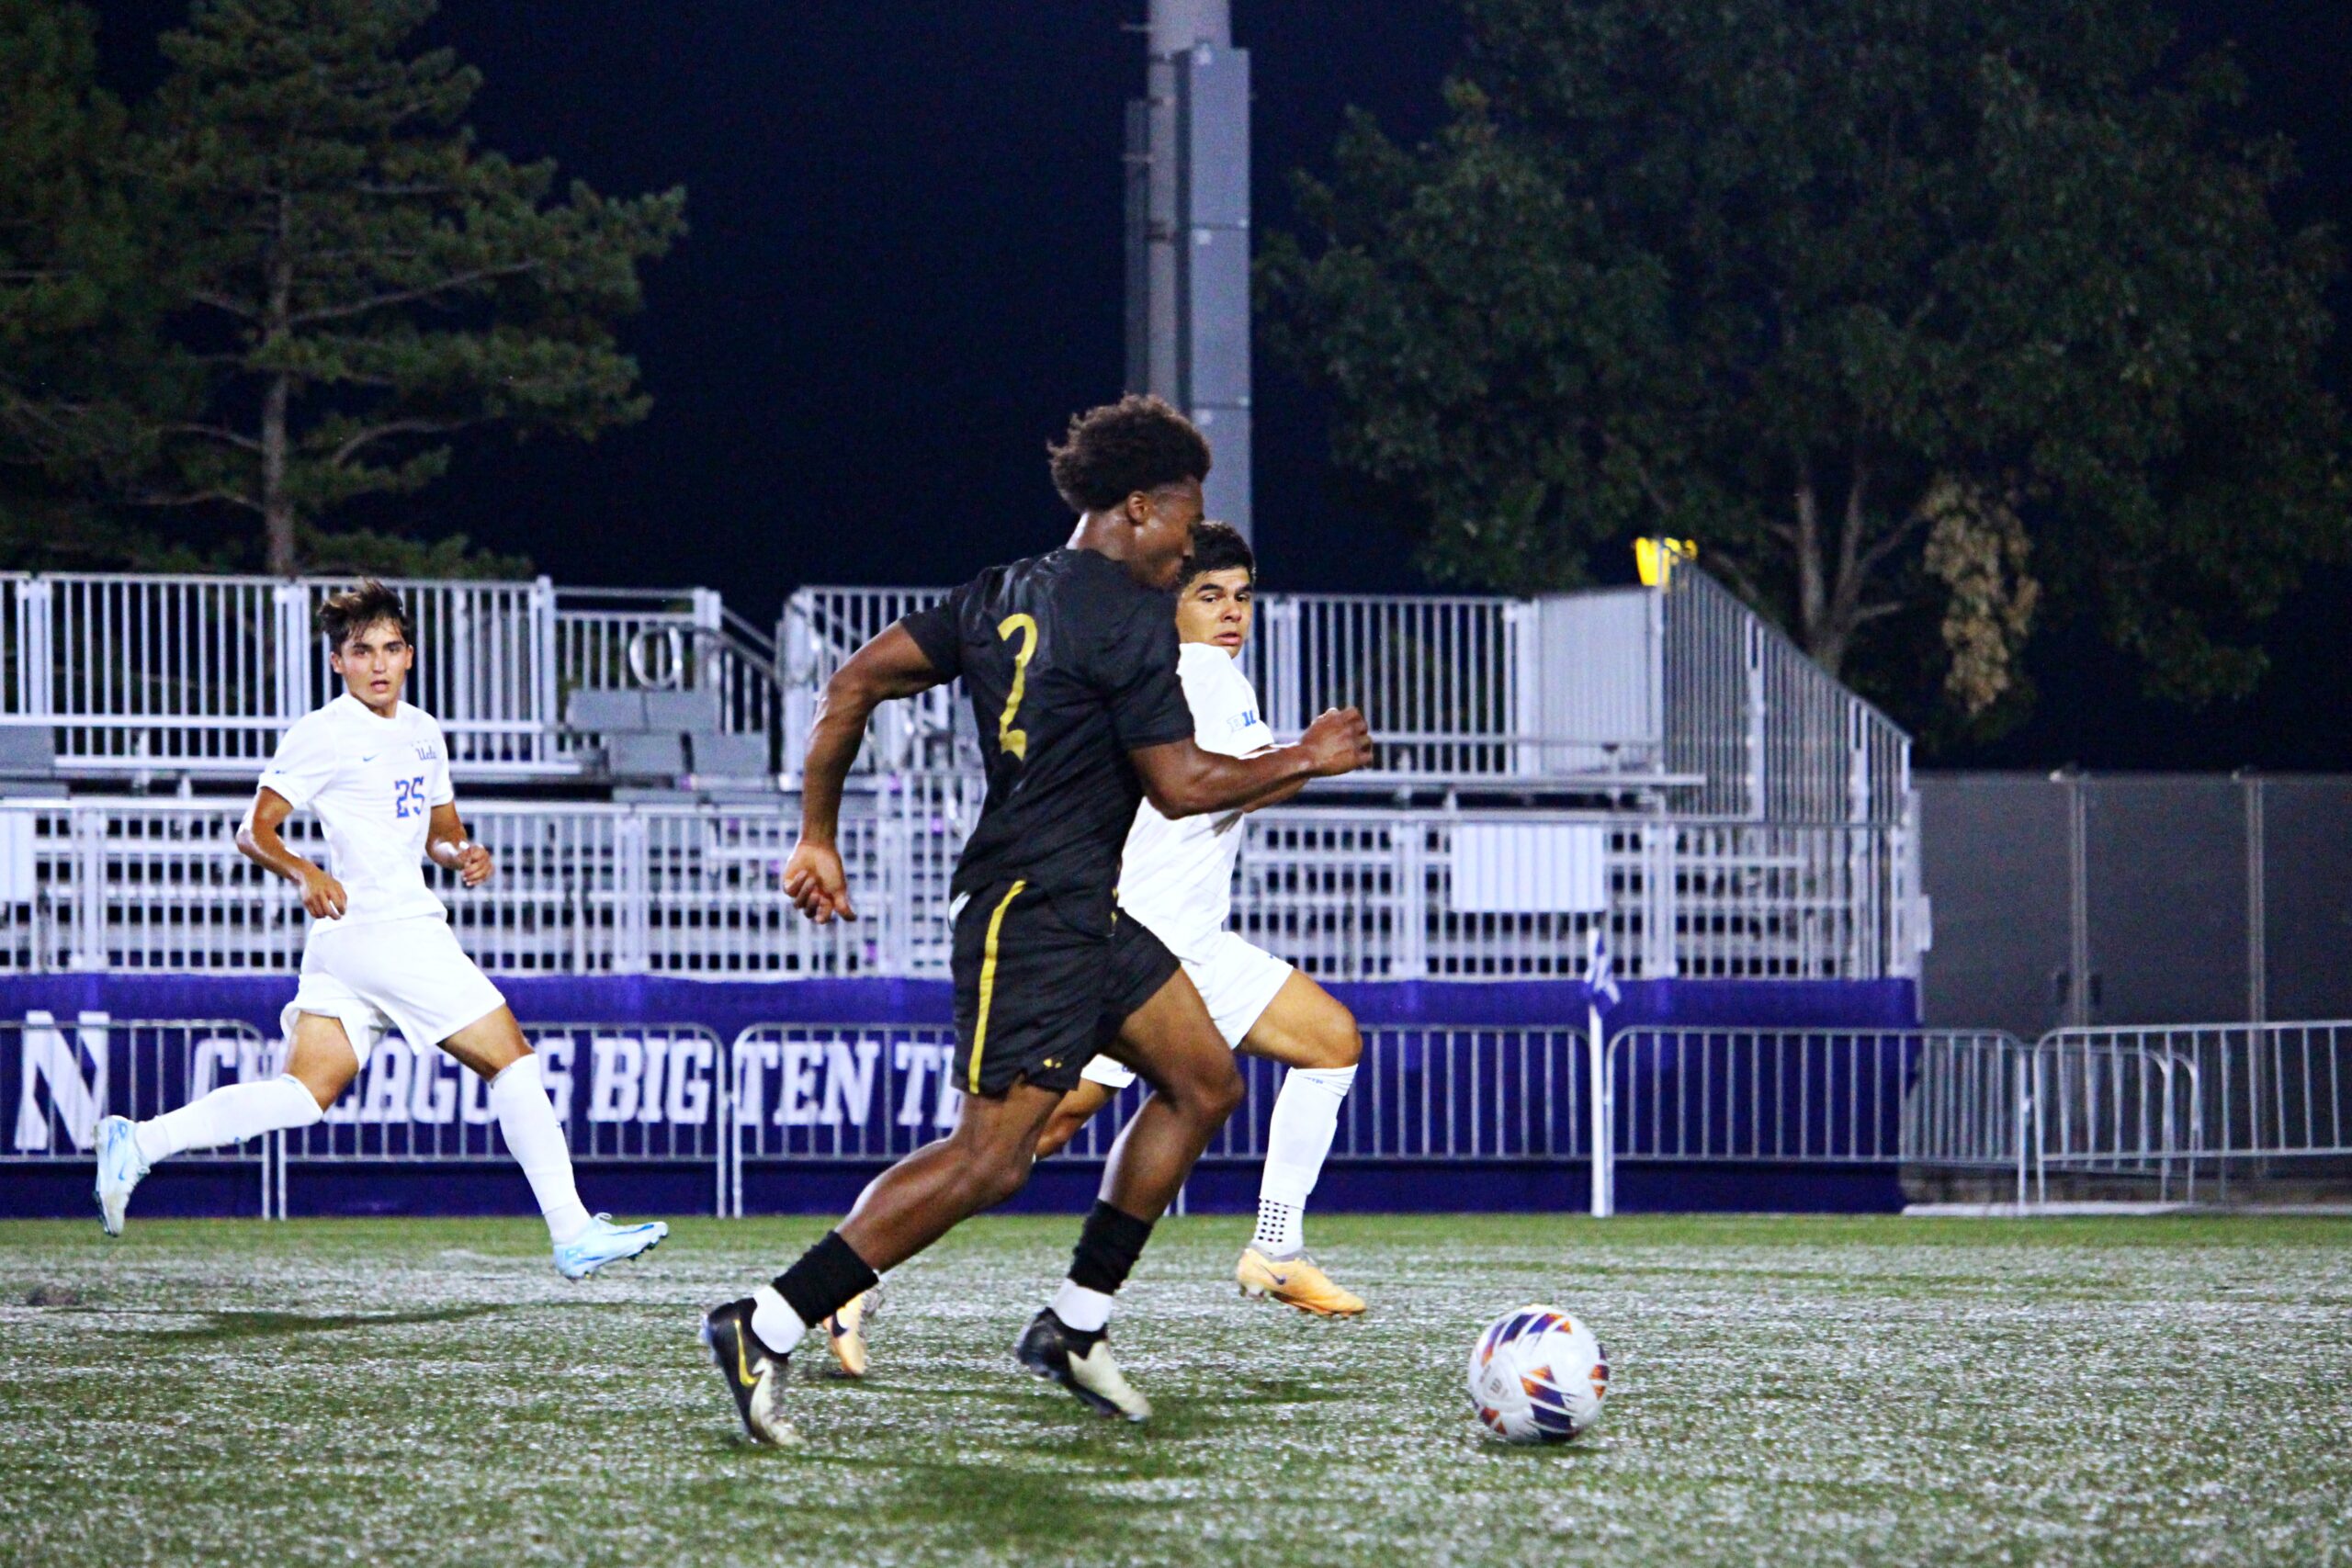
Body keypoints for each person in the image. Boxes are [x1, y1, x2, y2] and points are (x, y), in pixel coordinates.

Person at [699, 395, 1373, 1443]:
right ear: (1139, 508)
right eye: (1185, 523)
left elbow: (853, 682)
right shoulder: (1127, 616)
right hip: (1036, 913)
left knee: (1203, 1084)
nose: (1189, 545)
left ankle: (1075, 1322)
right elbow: (1185, 785)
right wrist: (1310, 755)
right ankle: (769, 1318)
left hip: (1086, 910)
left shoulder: (996, 591)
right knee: (992, 1160)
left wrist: (816, 835)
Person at [91, 581, 668, 1281]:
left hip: (348, 944)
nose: (378, 664)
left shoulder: (424, 732)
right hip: (388, 929)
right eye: (361, 651)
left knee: (304, 1095)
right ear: (338, 662)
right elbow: (254, 829)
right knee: (511, 1059)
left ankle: (139, 1140)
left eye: (390, 648)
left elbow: (442, 833)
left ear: (410, 655)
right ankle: (572, 1230)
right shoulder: (326, 731)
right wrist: (304, 870)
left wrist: (464, 854)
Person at [1035, 521, 1367, 1316]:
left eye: (1243, 596)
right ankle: (857, 1278)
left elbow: (1236, 776)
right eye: (1208, 595)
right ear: (1169, 605)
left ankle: (1276, 1250)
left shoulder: (1164, 675)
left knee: (1330, 1043)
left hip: (1190, 944)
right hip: (1139, 948)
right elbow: (1255, 780)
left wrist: (1299, 757)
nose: (1231, 613)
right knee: (1022, 1138)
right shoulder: (1203, 674)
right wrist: (1315, 751)